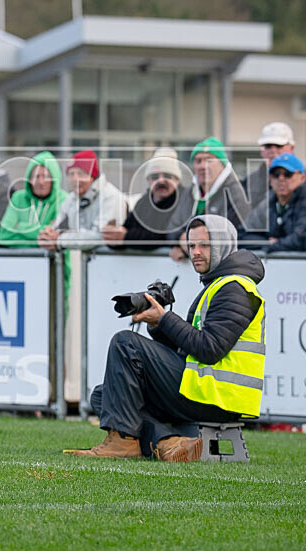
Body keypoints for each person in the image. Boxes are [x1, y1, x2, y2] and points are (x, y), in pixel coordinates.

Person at [69, 215, 265, 462]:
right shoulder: (219, 284)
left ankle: (124, 444)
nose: (196, 252)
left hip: (218, 397)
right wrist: (157, 325)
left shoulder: (235, 288)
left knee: (125, 342)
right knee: (104, 395)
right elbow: (193, 347)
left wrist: (165, 319)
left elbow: (210, 349)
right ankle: (168, 441)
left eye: (204, 245)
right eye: (191, 246)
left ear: (223, 245)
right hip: (205, 389)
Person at [169, 137, 250, 262]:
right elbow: (172, 227)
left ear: (222, 164)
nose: (203, 166)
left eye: (209, 160)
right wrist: (180, 240)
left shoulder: (236, 194)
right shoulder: (190, 192)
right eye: (198, 161)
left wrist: (190, 244)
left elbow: (232, 237)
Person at [102, 148, 193, 250]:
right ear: (148, 181)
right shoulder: (143, 202)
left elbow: (164, 235)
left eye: (167, 176)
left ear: (177, 180)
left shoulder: (186, 201)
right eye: (155, 177)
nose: (161, 181)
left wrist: (126, 237)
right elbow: (126, 229)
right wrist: (113, 237)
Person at [38, 150, 127, 252]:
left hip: (117, 263)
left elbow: (101, 235)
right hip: (92, 263)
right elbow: (57, 226)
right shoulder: (71, 199)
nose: (76, 179)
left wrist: (60, 240)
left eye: (81, 174)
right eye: (71, 174)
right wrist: (47, 236)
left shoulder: (110, 196)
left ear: (92, 176)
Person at [240, 152, 306, 252]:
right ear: (270, 178)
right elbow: (242, 234)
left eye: (288, 174)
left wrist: (276, 245)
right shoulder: (268, 202)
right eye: (276, 174)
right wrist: (267, 243)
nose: (281, 179)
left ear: (302, 177)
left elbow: (301, 239)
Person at [0, 152, 66, 247]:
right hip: (22, 261)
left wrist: (19, 226)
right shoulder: (18, 198)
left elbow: (58, 237)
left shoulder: (64, 200)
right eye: (36, 176)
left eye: (46, 177)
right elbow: (4, 236)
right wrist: (39, 241)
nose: (41, 182)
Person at [242, 122, 295, 210]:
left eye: (279, 145)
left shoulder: (302, 180)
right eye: (268, 146)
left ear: (291, 148)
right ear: (261, 150)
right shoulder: (248, 184)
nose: (273, 151)